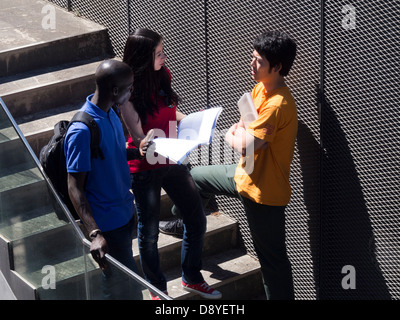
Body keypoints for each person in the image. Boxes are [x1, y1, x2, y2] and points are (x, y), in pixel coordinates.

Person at [171, 31, 298, 300]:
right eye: (252, 58)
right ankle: (184, 219)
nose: (252, 65)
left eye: (259, 61)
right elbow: (244, 126)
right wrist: (241, 134)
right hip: (243, 175)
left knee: (272, 262)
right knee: (193, 177)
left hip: (264, 194)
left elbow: (244, 143)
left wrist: (233, 135)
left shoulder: (278, 105)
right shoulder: (259, 88)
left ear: (276, 67)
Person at [120, 28, 222, 300]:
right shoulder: (127, 91)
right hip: (145, 165)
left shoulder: (163, 74)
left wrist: (191, 122)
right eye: (159, 53)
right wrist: (143, 141)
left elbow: (170, 109)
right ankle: (157, 289)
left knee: (196, 216)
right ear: (143, 58)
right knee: (149, 231)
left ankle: (192, 276)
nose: (164, 57)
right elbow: (137, 134)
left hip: (172, 156)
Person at [65, 59, 147, 299]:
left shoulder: (110, 112)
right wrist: (94, 233)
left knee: (117, 284)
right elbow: (74, 186)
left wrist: (138, 151)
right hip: (106, 225)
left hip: (123, 213)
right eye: (129, 87)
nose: (131, 91)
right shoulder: (81, 130)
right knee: (128, 288)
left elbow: (112, 154)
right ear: (114, 91)